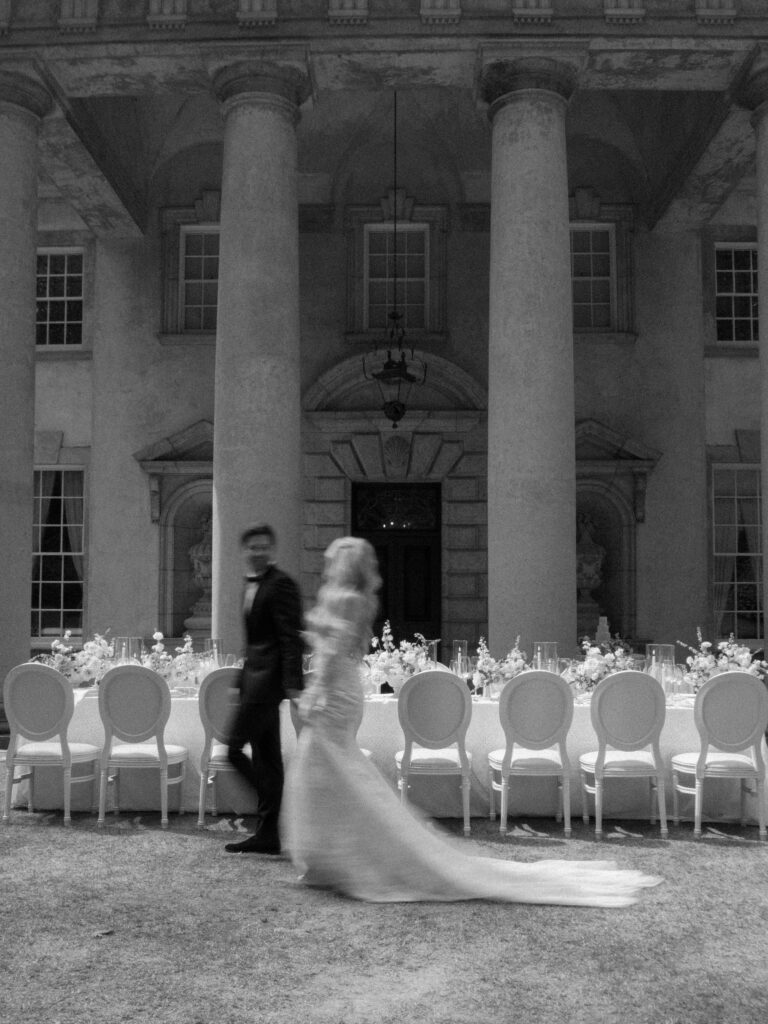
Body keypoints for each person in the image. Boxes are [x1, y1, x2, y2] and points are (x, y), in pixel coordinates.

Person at [284, 536, 663, 906]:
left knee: (330, 769)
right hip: (343, 689)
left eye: (333, 560)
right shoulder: (353, 599)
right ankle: (334, 858)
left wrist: (314, 691)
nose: (327, 566)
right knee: (333, 771)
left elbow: (333, 653)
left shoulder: (346, 599)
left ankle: (339, 857)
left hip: (335, 690)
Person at [225, 524, 304, 854]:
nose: (258, 552)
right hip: (253, 680)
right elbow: (254, 642)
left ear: (272, 551)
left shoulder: (281, 584)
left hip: (268, 684)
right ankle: (269, 835)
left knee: (231, 750)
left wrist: (293, 685)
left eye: (263, 547)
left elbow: (290, 638)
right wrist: (239, 681)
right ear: (244, 551)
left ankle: (277, 804)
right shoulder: (249, 583)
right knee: (267, 757)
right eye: (252, 547)